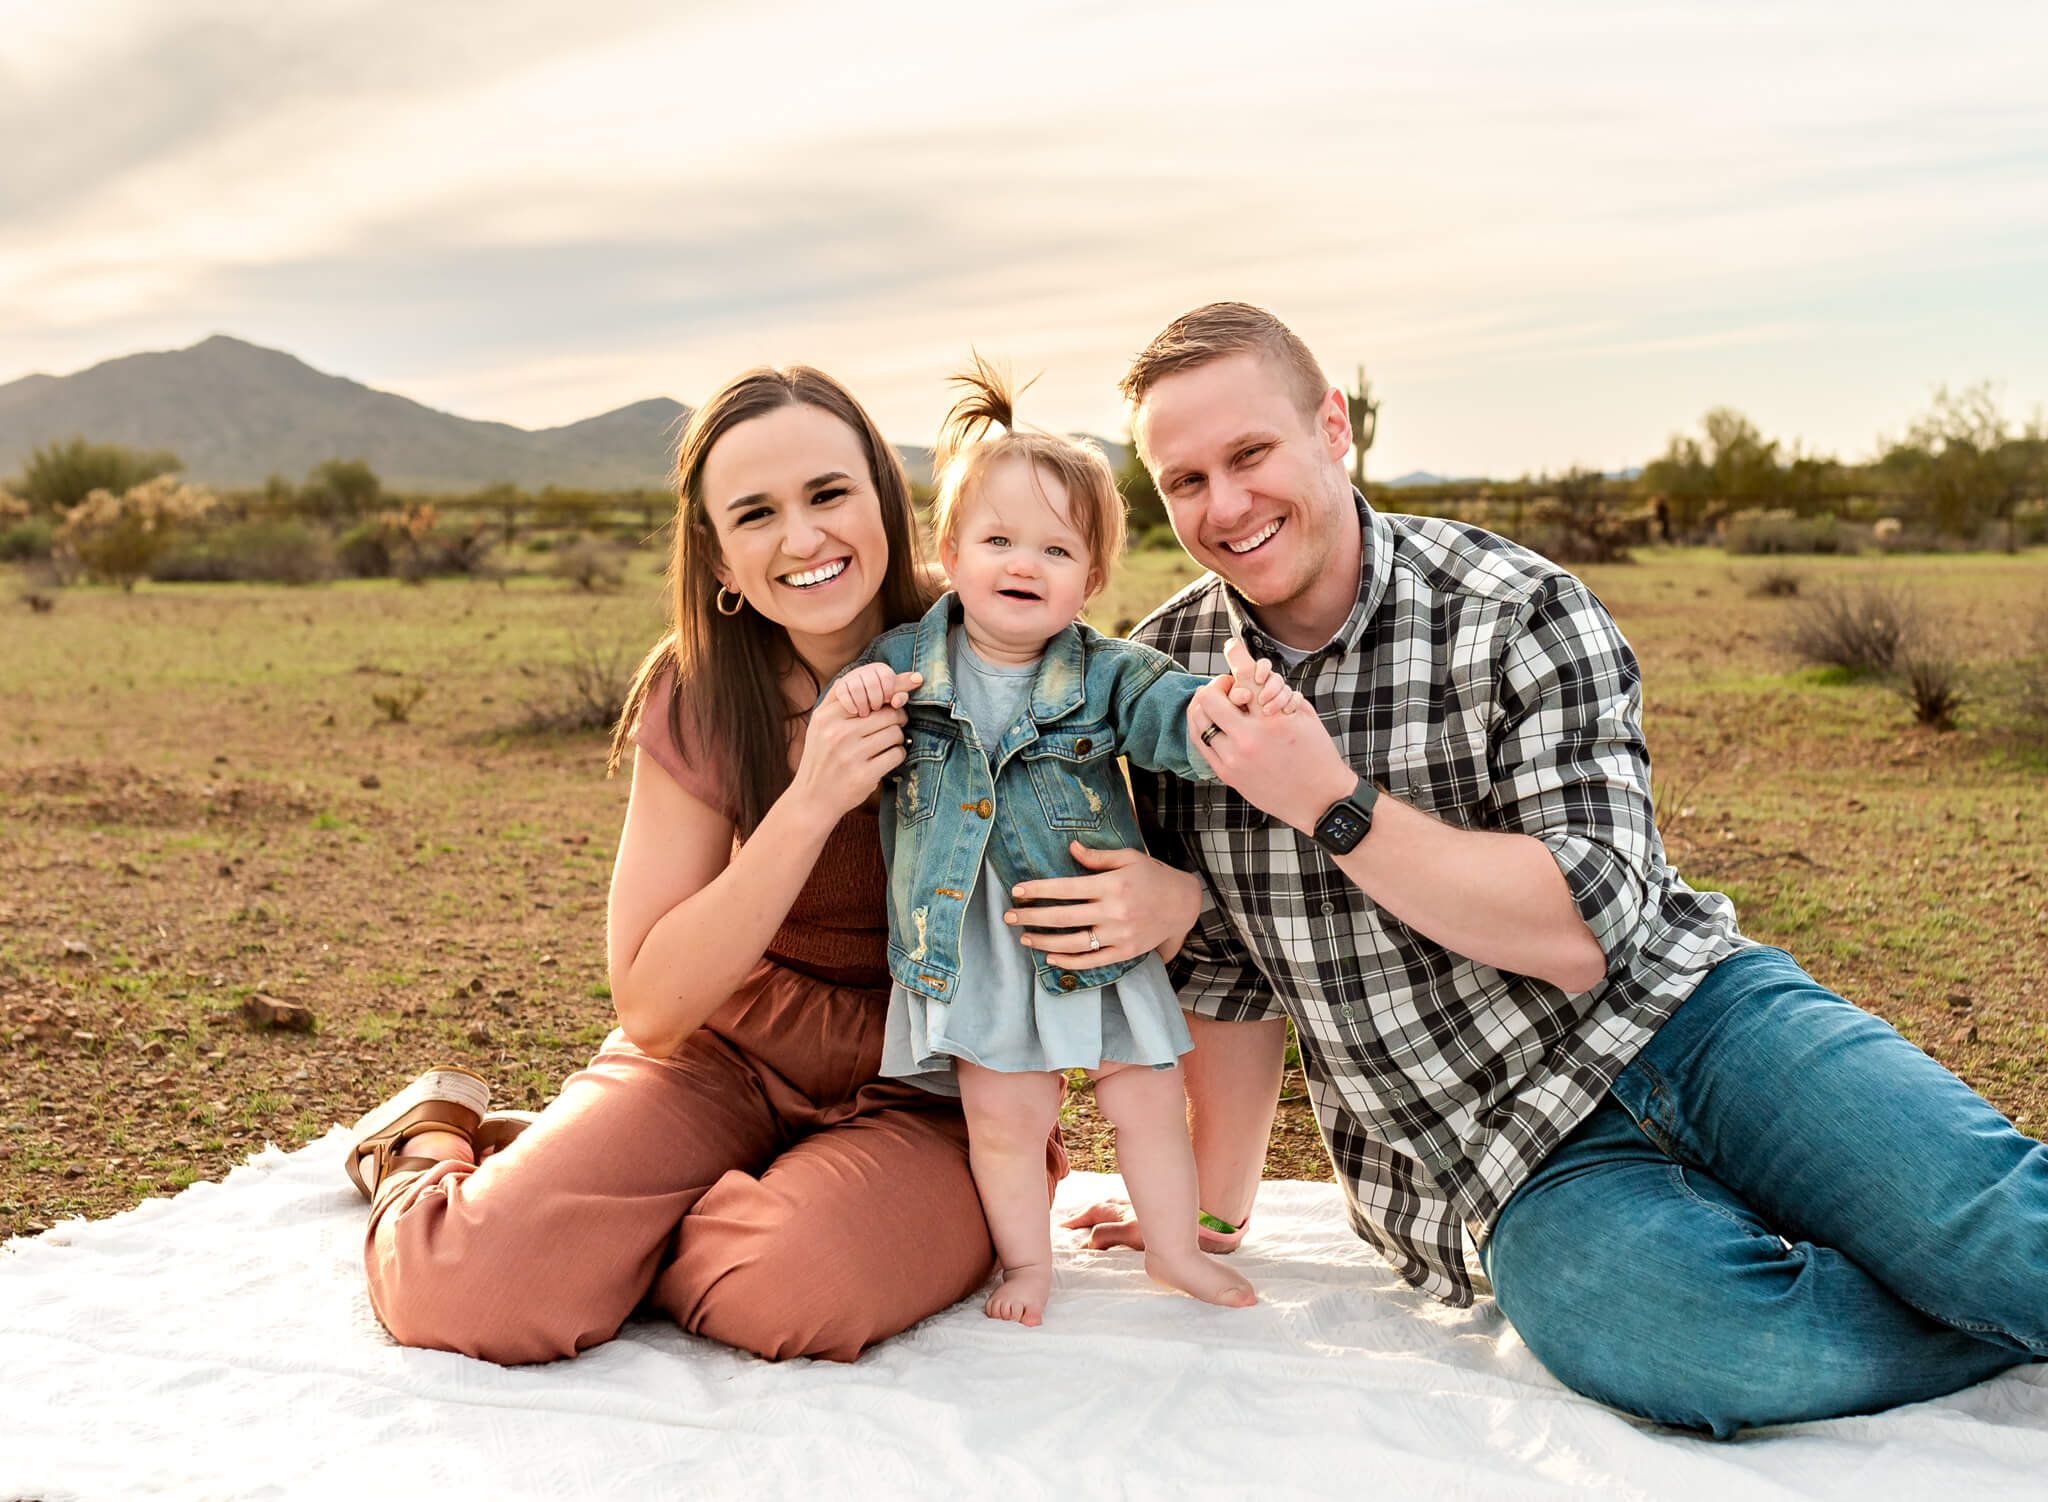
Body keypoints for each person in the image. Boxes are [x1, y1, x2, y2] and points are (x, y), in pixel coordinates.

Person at [1070, 300, 2048, 1436]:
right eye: (1183, 479)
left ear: (1332, 427)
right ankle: (1949, 1306)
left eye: (1249, 453)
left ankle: (1956, 1268)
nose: (1224, 505)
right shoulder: (1169, 684)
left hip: (1692, 1019)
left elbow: (1582, 930)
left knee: (1993, 1227)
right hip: (1497, 1151)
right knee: (1708, 1343)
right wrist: (1211, 1214)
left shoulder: (1512, 604)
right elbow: (1232, 970)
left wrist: (1329, 800)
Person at [342, 364, 1060, 1364]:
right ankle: (426, 1142)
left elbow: (1110, 847)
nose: (802, 539)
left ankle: (619, 1233)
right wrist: (808, 802)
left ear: (888, 501)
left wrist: (1158, 893)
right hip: (726, 1049)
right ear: (718, 556)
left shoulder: (1002, 637)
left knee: (792, 1289)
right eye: (754, 513)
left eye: (827, 493)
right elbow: (649, 1001)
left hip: (938, 1079)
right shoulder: (700, 690)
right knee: (466, 1286)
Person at [832, 361, 1286, 1325]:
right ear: (950, 553)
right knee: (1006, 1118)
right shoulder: (903, 664)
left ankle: (1173, 1250)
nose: (1023, 565)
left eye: (1054, 549)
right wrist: (856, 698)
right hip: (976, 943)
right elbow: (843, 721)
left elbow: (1174, 722)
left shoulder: (1112, 674)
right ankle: (1028, 1266)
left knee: (1148, 1098)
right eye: (997, 540)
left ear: (1090, 578)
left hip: (1093, 935)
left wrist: (1223, 711)